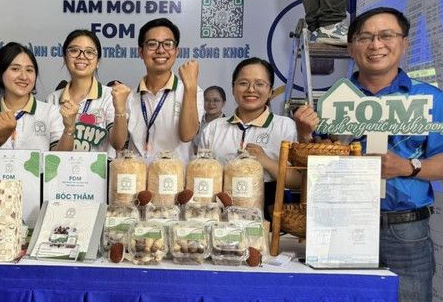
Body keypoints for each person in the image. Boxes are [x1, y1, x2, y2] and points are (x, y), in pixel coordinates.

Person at [294, 7, 443, 302]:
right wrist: (304, 134)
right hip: (340, 226)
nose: (376, 44)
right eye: (365, 37)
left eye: (386, 36)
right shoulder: (333, 101)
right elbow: (311, 167)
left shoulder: (428, 99)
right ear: (351, 47)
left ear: (404, 44)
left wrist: (409, 166)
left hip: (405, 229)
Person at [200, 58, 301, 217]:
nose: (251, 89)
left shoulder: (285, 126)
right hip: (219, 211)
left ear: (270, 91)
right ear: (233, 88)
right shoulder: (214, 128)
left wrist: (266, 161)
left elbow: (298, 181)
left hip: (268, 209)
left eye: (260, 84)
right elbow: (201, 172)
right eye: (243, 83)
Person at [126, 18, 204, 164]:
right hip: (138, 176)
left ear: (177, 51)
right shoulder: (131, 97)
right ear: (141, 52)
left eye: (168, 44)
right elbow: (118, 143)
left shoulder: (192, 91)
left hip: (176, 176)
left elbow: (187, 135)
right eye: (152, 44)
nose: (161, 50)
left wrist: (190, 87)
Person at [46, 29, 129, 157]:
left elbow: (118, 144)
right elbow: (56, 157)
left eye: (89, 52)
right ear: (64, 58)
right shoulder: (52, 99)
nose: (81, 56)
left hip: (102, 170)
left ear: (98, 62)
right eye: (74, 50)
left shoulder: (109, 96)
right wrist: (69, 129)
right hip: (66, 169)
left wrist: (120, 109)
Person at [0, 42, 78, 152]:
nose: (24, 77)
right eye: (15, 69)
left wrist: (69, 129)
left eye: (29, 70)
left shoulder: (50, 112)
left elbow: (60, 157)